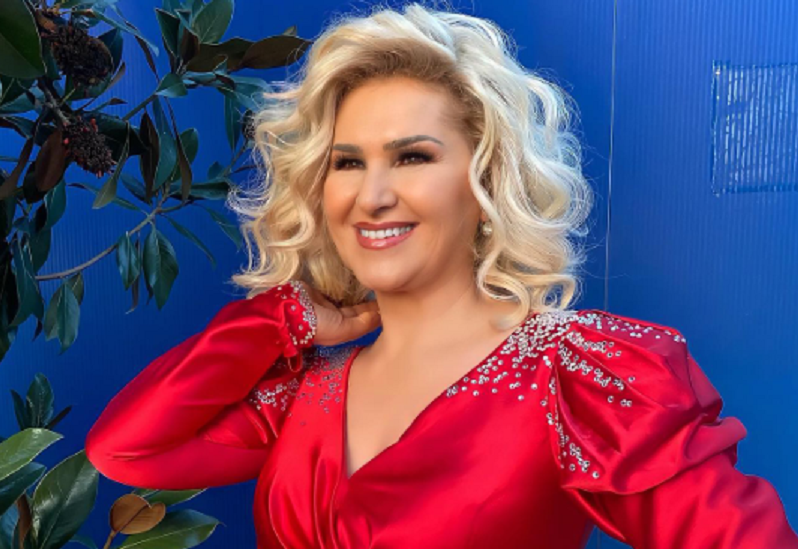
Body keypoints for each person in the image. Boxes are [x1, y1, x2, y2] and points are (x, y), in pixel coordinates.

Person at [84, 3, 798, 548]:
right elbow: (125, 449)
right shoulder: (307, 386)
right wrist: (284, 317)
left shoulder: (574, 372)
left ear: (485, 179)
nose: (371, 195)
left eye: (413, 157)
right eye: (347, 162)